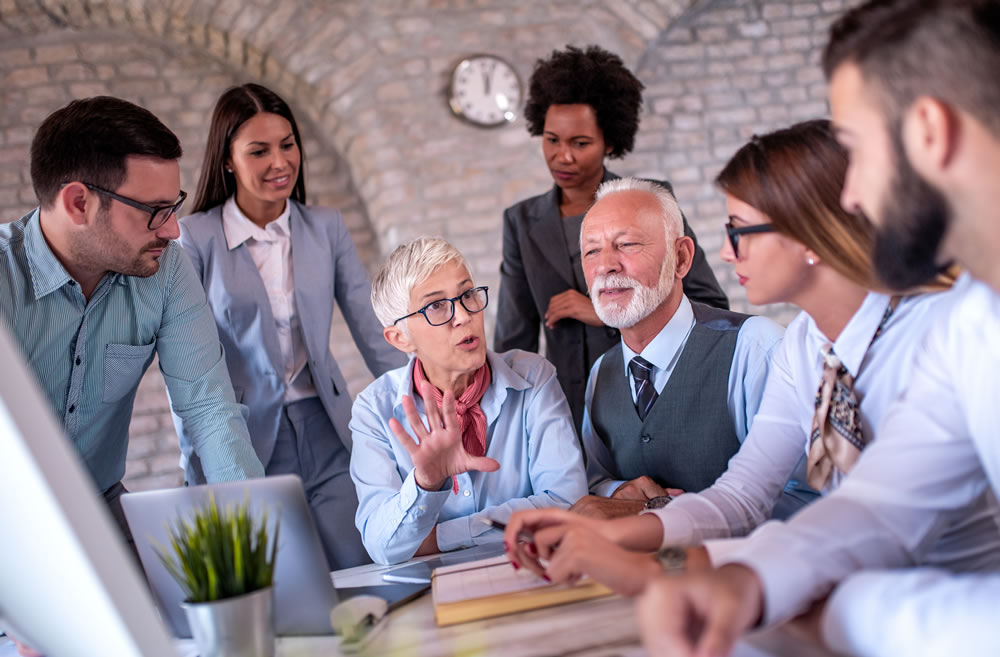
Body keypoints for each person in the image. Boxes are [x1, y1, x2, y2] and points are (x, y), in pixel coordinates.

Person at [634, 2, 1000, 656]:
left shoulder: (939, 323)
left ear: (929, 132)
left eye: (856, 151)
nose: (851, 196)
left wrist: (838, 609)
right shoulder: (973, 320)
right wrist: (749, 582)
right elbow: (883, 501)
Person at [504, 121, 1000, 601]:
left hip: (949, 599)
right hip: (857, 590)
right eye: (591, 252)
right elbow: (746, 496)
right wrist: (621, 544)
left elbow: (858, 519)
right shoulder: (807, 345)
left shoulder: (946, 329)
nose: (723, 251)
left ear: (808, 233)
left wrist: (664, 564)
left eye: (739, 229)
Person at [0, 97, 264, 545]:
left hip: (98, 502)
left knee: (164, 611)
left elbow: (208, 408)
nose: (173, 229)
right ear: (79, 202)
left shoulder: (166, 270)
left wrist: (258, 530)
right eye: (153, 210)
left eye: (174, 205)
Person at [176, 84, 403, 569]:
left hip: (328, 429)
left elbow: (373, 328)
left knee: (364, 565)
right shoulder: (195, 238)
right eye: (258, 151)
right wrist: (195, 461)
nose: (279, 162)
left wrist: (421, 397)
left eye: (287, 144)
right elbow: (188, 366)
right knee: (287, 585)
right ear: (228, 160)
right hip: (246, 440)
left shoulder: (325, 227)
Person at [495, 45, 728, 433]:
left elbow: (711, 305)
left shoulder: (651, 202)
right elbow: (513, 343)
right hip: (568, 414)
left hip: (659, 395)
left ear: (611, 143)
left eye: (580, 143)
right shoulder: (521, 222)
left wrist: (598, 310)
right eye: (552, 140)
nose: (562, 156)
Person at [349, 237, 588, 565]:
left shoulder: (534, 377)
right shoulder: (374, 409)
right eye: (436, 306)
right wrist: (426, 485)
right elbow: (381, 545)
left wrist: (439, 537)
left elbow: (569, 503)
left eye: (467, 294)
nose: (462, 315)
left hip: (536, 571)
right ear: (400, 337)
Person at [564, 176, 788, 521]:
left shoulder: (755, 348)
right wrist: (615, 493)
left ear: (681, 258)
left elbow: (805, 495)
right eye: (592, 251)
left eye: (626, 244)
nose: (605, 265)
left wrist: (668, 513)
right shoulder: (601, 376)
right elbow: (598, 481)